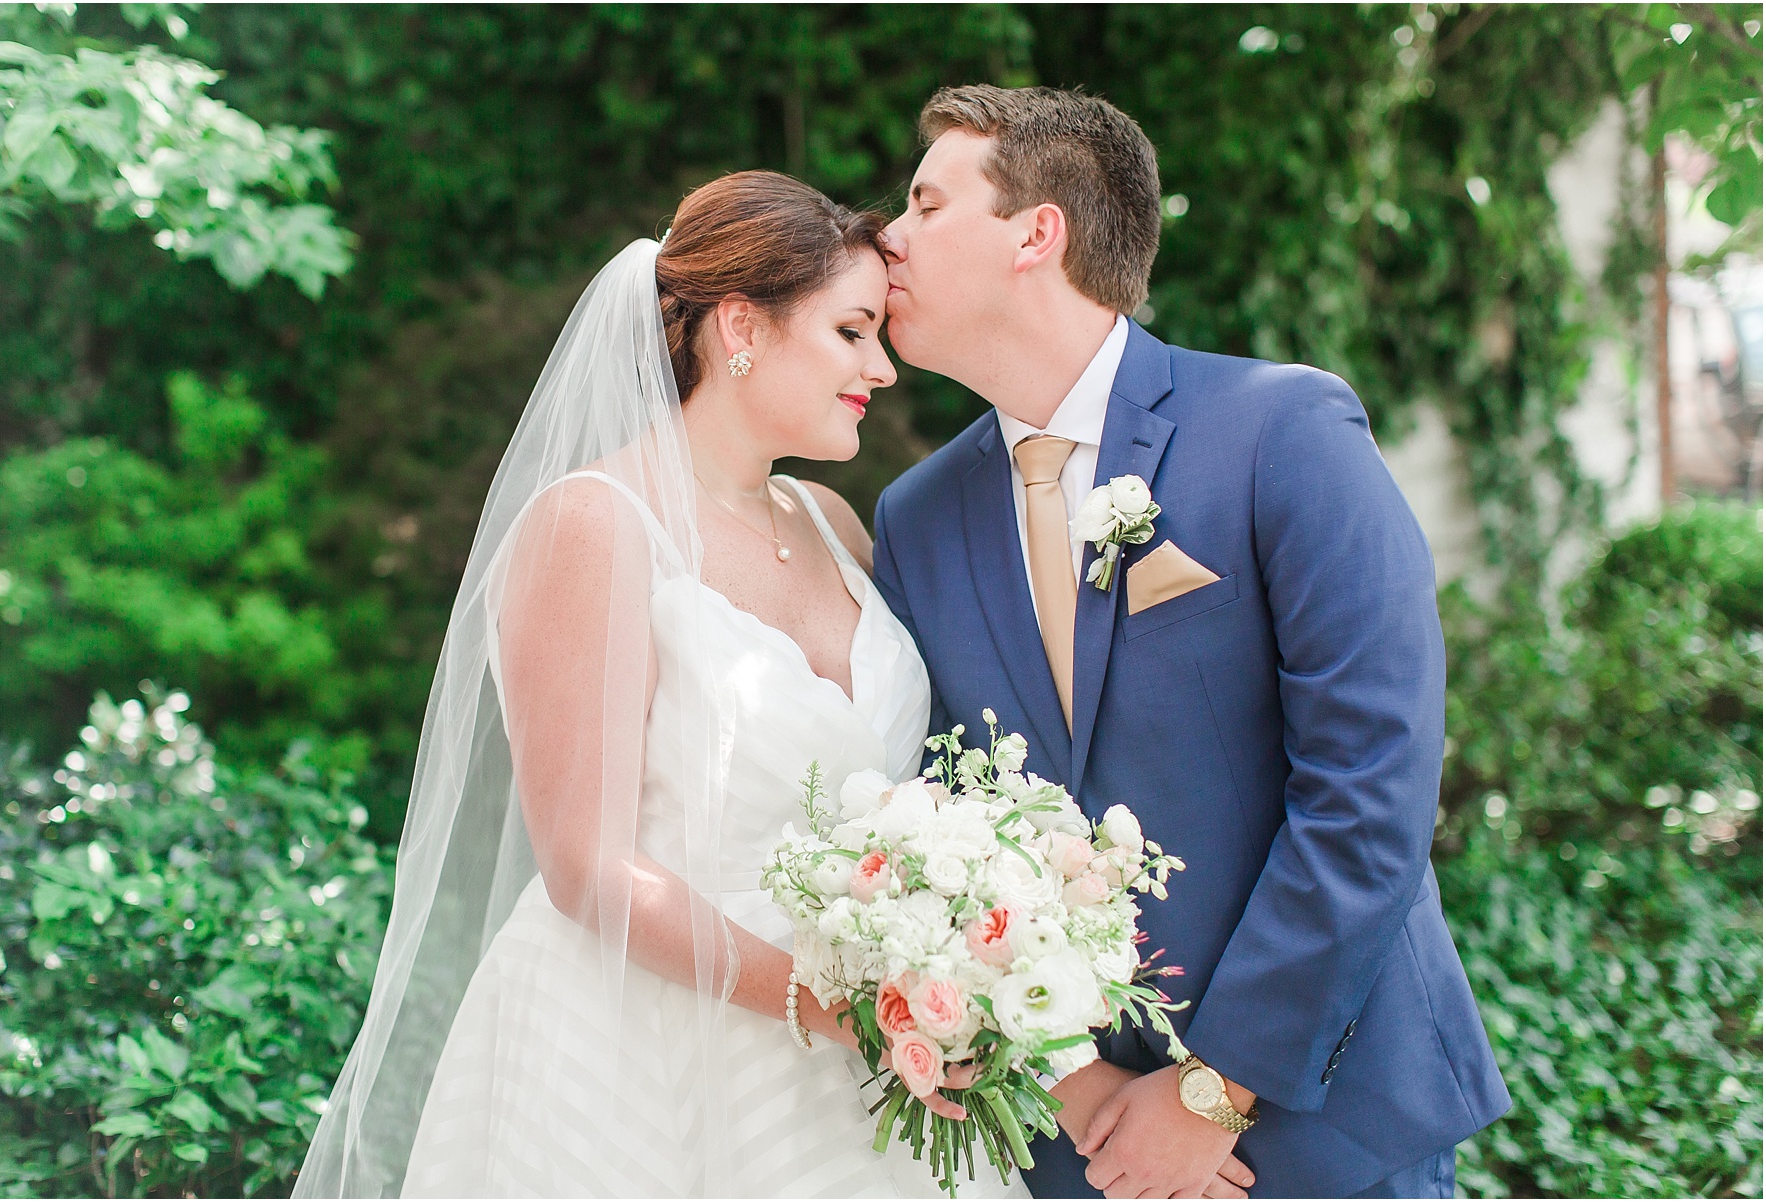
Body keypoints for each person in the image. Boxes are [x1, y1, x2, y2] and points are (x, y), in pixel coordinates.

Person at [294, 171, 1025, 1198]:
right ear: (742, 328)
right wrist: (836, 1003)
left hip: (862, 1059)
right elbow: (588, 866)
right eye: (854, 331)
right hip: (645, 1056)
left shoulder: (833, 522)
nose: (883, 370)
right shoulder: (592, 526)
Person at [872, 85, 1511, 1200]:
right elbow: (945, 828)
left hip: (1330, 1127)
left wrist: (1216, 1088)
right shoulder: (916, 519)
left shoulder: (1284, 430)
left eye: (926, 202)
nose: (889, 236)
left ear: (1037, 231)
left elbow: (1372, 791)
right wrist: (1083, 1102)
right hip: (1089, 1155)